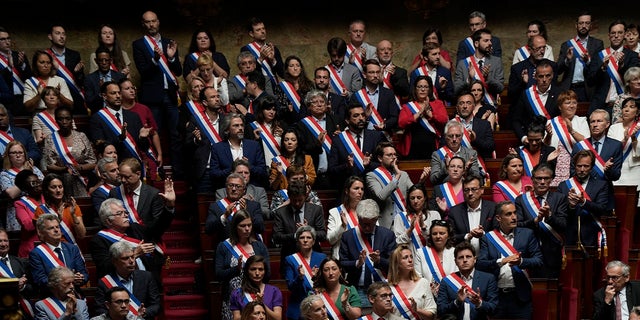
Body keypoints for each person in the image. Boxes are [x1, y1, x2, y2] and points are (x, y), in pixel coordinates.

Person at [132, 10, 183, 178]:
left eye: (154, 21)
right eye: (148, 22)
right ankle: (157, 170)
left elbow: (178, 71)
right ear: (143, 24)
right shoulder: (139, 44)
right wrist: (155, 59)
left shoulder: (169, 42)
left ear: (158, 22)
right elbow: (143, 72)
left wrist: (172, 58)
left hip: (170, 95)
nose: (151, 24)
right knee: (155, 133)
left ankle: (177, 170)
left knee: (175, 133)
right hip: (152, 97)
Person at [476, 201, 544, 320]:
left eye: (514, 213)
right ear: (498, 218)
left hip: (520, 297)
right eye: (508, 214)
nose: (514, 217)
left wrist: (521, 262)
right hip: (497, 296)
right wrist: (501, 261)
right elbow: (481, 264)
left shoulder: (527, 234)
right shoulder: (488, 238)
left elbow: (538, 260)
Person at [90, 198, 165, 285]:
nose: (126, 215)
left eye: (125, 212)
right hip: (119, 286)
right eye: (119, 213)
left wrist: (169, 206)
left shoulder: (135, 229)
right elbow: (105, 267)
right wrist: (135, 254)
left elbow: (158, 229)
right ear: (108, 221)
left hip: (148, 282)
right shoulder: (99, 240)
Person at [515, 162, 568, 278]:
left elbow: (563, 225)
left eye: (546, 178)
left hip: (551, 253)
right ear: (532, 179)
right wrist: (535, 221)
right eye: (539, 178)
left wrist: (549, 216)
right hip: (527, 252)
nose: (542, 182)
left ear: (552, 180)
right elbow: (517, 226)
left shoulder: (560, 198)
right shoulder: (521, 200)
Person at [339, 199, 396, 305]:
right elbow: (342, 263)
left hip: (382, 290)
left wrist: (379, 260)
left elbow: (395, 264)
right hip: (357, 290)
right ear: (358, 218)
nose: (366, 227)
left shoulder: (387, 235)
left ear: (376, 219)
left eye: (370, 224)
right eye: (363, 224)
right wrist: (357, 263)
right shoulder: (348, 236)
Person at [215, 210, 270, 320]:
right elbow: (218, 274)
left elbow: (268, 275)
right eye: (243, 226)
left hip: (255, 300)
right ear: (235, 226)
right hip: (232, 300)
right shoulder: (224, 246)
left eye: (249, 225)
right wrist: (237, 269)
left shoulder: (259, 247)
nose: (247, 229)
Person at [109, 157, 176, 239]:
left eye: (126, 177)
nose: (123, 180)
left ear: (138, 174)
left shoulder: (153, 194)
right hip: (122, 242)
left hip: (147, 241)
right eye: (121, 176)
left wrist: (170, 205)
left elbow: (160, 226)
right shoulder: (115, 193)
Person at [570, 108, 622, 213]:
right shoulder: (579, 146)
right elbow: (572, 172)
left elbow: (616, 176)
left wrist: (608, 170)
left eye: (599, 121)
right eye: (592, 121)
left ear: (607, 124)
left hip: (604, 198)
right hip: (583, 195)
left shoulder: (615, 145)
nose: (595, 124)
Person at [94, 241, 160, 320]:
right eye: (125, 258)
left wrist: (144, 312)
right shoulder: (105, 282)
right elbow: (100, 309)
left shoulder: (146, 277)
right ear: (114, 261)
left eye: (132, 257)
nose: (131, 261)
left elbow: (156, 305)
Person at [558, 150, 610, 248]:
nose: (582, 169)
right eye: (579, 166)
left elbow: (602, 209)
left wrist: (584, 202)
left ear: (591, 168)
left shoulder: (601, 185)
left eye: (586, 166)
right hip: (569, 235)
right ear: (574, 166)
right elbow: (559, 212)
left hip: (591, 234)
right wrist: (571, 206)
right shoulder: (563, 186)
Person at [587, 19, 640, 115]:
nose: (616, 36)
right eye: (613, 33)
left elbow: (635, 81)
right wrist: (602, 68)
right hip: (601, 105)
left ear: (624, 35)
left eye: (620, 33)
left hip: (625, 106)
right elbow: (590, 81)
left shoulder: (633, 56)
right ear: (609, 35)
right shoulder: (599, 55)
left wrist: (622, 65)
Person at [328, 103, 387, 187]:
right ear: (347, 120)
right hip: (348, 188)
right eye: (356, 116)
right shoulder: (339, 140)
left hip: (373, 187)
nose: (361, 118)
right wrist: (346, 166)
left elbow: (386, 163)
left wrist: (369, 164)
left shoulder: (376, 136)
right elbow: (332, 169)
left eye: (363, 115)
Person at [89, 81, 149, 162]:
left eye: (119, 93)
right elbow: (100, 146)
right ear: (104, 96)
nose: (118, 96)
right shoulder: (97, 118)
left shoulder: (134, 116)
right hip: (113, 166)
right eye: (113, 93)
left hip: (134, 165)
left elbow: (144, 148)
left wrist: (143, 138)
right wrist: (120, 138)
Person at [436, 241, 498, 320]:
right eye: (461, 257)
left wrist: (479, 303)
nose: (465, 260)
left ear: (474, 259)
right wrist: (457, 302)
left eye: (468, 257)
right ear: (455, 261)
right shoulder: (447, 281)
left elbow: (494, 308)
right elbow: (441, 310)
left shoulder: (488, 279)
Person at [273, 180, 326, 272]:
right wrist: (296, 235)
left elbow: (323, 235)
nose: (297, 203)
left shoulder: (316, 210)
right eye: (294, 200)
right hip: (290, 258)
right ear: (289, 197)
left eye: (300, 200)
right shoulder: (280, 212)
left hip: (313, 257)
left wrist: (309, 231)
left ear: (305, 196)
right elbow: (277, 237)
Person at [43, 106, 96, 197]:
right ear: (56, 120)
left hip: (82, 179)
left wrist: (80, 168)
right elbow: (49, 165)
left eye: (67, 119)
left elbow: (93, 162)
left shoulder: (81, 136)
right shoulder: (50, 139)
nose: (64, 122)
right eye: (60, 119)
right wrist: (64, 169)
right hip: (61, 182)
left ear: (72, 119)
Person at [29, 214, 88, 292]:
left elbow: (84, 274)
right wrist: (64, 282)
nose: (56, 230)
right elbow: (40, 280)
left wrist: (80, 278)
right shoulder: (37, 253)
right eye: (51, 228)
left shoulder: (72, 249)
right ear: (41, 233)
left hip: (74, 294)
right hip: (52, 299)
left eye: (57, 227)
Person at [118, 78, 163, 181]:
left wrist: (159, 154)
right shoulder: (117, 113)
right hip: (129, 154)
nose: (132, 90)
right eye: (127, 88)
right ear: (120, 93)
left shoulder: (144, 109)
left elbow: (154, 133)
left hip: (146, 152)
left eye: (133, 88)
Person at [296, 89, 341, 189]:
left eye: (322, 102)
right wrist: (316, 145)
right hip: (313, 174)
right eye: (315, 102)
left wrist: (341, 138)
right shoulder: (302, 125)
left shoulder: (335, 120)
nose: (319, 104)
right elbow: (301, 149)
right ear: (309, 106)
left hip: (334, 174)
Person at [210, 112, 268, 190]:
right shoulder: (217, 148)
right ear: (227, 130)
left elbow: (262, 172)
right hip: (227, 191)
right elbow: (214, 174)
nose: (240, 128)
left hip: (251, 191)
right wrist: (233, 168)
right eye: (236, 125)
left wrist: (248, 166)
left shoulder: (254, 146)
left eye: (242, 125)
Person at [557, 12, 605, 102]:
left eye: (587, 23)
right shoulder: (566, 45)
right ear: (576, 25)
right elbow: (558, 70)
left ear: (591, 25)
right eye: (581, 23)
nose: (584, 26)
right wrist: (567, 60)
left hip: (588, 88)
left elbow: (599, 70)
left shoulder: (597, 44)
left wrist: (588, 61)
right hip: (569, 88)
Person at [511, 59, 562, 143]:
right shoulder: (526, 95)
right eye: (541, 76)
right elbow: (516, 120)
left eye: (548, 76)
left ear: (552, 76)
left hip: (555, 139)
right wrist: (523, 138)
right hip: (532, 141)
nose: (544, 79)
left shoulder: (560, 94)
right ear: (535, 76)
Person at [397, 75, 448, 159]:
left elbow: (444, 120)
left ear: (430, 89)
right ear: (415, 89)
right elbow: (401, 123)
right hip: (412, 148)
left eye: (425, 87)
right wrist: (419, 112)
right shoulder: (408, 106)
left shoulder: (437, 104)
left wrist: (429, 113)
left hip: (432, 146)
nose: (423, 89)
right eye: (420, 86)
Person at [185, 85, 224, 193]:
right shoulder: (196, 120)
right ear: (205, 102)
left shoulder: (226, 120)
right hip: (205, 171)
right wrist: (195, 140)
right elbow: (187, 145)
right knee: (204, 206)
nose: (217, 99)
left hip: (223, 170)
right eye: (212, 97)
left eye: (217, 96)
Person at [546, 90, 590, 186]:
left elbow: (587, 144)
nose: (572, 105)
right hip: (556, 167)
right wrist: (548, 136)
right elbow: (545, 147)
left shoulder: (582, 121)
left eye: (574, 102)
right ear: (560, 106)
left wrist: (572, 131)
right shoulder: (551, 123)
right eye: (567, 103)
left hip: (576, 167)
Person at [206, 172, 265, 244]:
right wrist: (224, 216)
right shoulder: (216, 207)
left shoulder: (254, 206)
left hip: (249, 248)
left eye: (238, 186)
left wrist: (246, 213)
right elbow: (208, 230)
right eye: (230, 185)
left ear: (244, 190)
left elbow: (260, 228)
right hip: (227, 249)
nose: (234, 189)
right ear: (226, 188)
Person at [365, 141, 413, 228]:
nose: (394, 157)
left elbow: (414, 193)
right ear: (380, 158)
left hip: (405, 220)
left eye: (395, 154)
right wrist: (397, 177)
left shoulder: (404, 174)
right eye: (389, 155)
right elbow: (381, 196)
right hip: (386, 223)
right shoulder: (372, 176)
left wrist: (421, 181)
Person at [283, 226, 327, 320]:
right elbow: (290, 287)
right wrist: (300, 277)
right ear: (298, 241)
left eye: (309, 237)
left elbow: (327, 282)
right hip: (298, 307)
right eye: (302, 238)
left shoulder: (322, 258)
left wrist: (317, 278)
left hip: (319, 306)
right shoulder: (290, 259)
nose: (305, 240)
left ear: (314, 241)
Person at [454, 28, 504, 110]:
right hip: (468, 108)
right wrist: (469, 79)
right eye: (486, 41)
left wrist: (488, 78)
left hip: (490, 107)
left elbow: (500, 88)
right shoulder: (463, 64)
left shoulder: (496, 61)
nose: (490, 43)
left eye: (490, 40)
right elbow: (456, 90)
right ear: (476, 43)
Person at [1, 140, 44, 232]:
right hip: (16, 213)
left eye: (20, 152)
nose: (18, 155)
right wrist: (26, 175)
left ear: (25, 154)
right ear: (8, 156)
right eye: (14, 153)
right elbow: (11, 194)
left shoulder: (35, 170)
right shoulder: (4, 174)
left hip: (37, 208)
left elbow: (44, 187)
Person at [33, 173, 86, 245]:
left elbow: (82, 235)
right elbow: (42, 237)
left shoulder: (72, 207)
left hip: (72, 249)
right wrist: (59, 220)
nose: (58, 190)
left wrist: (73, 215)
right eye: (53, 187)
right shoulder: (41, 210)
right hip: (53, 250)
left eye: (60, 187)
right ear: (47, 190)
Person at [388, 244, 438, 319]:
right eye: (405, 258)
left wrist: (416, 310)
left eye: (411, 256)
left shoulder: (423, 283)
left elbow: (432, 314)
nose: (410, 260)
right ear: (396, 263)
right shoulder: (387, 286)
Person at [448, 173, 496, 251]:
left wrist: (483, 234)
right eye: (466, 190)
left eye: (474, 189)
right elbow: (450, 237)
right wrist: (467, 236)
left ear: (482, 190)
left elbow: (499, 234)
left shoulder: (493, 208)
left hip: (487, 257)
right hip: (464, 257)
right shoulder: (454, 211)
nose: (470, 193)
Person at [46, 24, 87, 115]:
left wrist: (77, 73)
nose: (61, 36)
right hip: (53, 97)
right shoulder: (46, 55)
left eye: (63, 34)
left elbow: (82, 82)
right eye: (58, 33)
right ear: (50, 36)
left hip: (73, 97)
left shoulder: (74, 55)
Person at [508, 35, 558, 106]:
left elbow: (555, 91)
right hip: (525, 109)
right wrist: (523, 83)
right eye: (538, 48)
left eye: (544, 47)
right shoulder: (517, 68)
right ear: (529, 49)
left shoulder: (552, 66)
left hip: (546, 108)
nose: (542, 51)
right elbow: (511, 95)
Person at [607, 97, 640, 206]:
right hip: (617, 171)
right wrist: (625, 140)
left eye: (631, 107)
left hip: (635, 171)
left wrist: (634, 138)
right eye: (624, 107)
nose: (626, 109)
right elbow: (610, 150)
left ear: (637, 112)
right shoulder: (613, 128)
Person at [230, 255, 283, 320]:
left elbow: (277, 318)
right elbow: (236, 318)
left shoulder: (274, 291)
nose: (257, 273)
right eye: (253, 269)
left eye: (260, 269)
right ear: (247, 271)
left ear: (265, 271)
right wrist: (251, 313)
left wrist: (262, 304)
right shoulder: (237, 294)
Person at [430, 120, 480, 185]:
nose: (454, 139)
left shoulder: (471, 154)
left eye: (457, 136)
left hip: (464, 191)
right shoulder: (437, 155)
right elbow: (433, 179)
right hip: (447, 192)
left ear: (462, 136)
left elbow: (477, 177)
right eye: (451, 136)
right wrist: (446, 168)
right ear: (445, 136)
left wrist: (467, 169)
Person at [392, 184, 441, 251]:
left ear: (425, 198)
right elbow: (398, 242)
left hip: (431, 257)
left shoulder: (434, 215)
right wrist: (410, 229)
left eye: (419, 197)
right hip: (410, 258)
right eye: (412, 198)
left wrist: (423, 227)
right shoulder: (400, 217)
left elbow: (437, 240)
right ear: (409, 200)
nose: (415, 201)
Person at [414, 220, 458, 292]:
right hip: (428, 295)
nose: (438, 236)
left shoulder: (455, 252)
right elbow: (417, 278)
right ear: (430, 236)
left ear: (449, 235)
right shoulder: (421, 253)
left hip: (451, 294)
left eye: (442, 233)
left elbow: (459, 277)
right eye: (434, 234)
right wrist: (428, 290)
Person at [327, 176, 365, 259]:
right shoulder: (335, 212)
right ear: (347, 191)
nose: (360, 192)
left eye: (362, 189)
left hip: (362, 257)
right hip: (343, 258)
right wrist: (342, 227)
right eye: (356, 188)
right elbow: (330, 240)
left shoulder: (367, 211)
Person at [452, 89, 495, 161]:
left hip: (478, 166)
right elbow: (444, 148)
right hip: (456, 167)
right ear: (457, 107)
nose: (465, 106)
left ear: (474, 106)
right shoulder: (451, 125)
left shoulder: (484, 125)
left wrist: (475, 140)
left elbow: (490, 147)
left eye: (468, 103)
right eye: (461, 103)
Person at [0, 228, 34, 316]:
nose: (3, 244)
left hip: (21, 309)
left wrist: (23, 286)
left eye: (5, 241)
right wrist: (14, 286)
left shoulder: (20, 262)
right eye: (0, 241)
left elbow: (33, 288)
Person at [268, 127, 315, 191]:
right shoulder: (276, 161)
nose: (289, 142)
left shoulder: (307, 159)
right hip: (284, 196)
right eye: (286, 140)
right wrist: (279, 175)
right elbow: (273, 187)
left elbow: (312, 181)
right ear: (283, 143)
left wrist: (304, 176)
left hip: (301, 195)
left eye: (293, 140)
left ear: (298, 142)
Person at [241, 17, 285, 83]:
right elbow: (247, 72)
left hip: (275, 85)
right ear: (251, 34)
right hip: (258, 87)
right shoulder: (246, 50)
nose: (262, 31)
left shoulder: (273, 48)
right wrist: (260, 59)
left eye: (263, 28)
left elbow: (283, 74)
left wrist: (273, 60)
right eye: (258, 30)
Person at [0, 26, 32, 116]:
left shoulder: (18, 55)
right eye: (2, 39)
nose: (7, 42)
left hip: (24, 98)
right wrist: (9, 68)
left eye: (8, 38)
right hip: (6, 101)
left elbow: (30, 77)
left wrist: (22, 65)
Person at [249, 95, 285, 174]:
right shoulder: (253, 127)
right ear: (261, 110)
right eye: (268, 109)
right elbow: (249, 151)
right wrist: (256, 140)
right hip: (262, 169)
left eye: (274, 109)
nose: (272, 112)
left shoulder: (281, 126)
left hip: (279, 167)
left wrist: (284, 136)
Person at [85, 46, 127, 113]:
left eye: (106, 60)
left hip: (119, 113)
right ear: (96, 61)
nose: (104, 63)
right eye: (101, 60)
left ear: (111, 61)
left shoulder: (120, 77)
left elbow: (125, 98)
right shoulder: (90, 79)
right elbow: (89, 102)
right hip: (99, 114)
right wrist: (100, 91)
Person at [13, 169, 44, 258]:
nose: (38, 184)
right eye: (33, 183)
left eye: (38, 181)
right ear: (25, 188)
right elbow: (28, 226)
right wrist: (45, 216)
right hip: (32, 247)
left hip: (51, 243)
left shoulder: (48, 199)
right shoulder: (20, 204)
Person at [276, 55, 314, 123]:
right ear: (287, 69)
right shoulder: (281, 87)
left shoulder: (309, 85)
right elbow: (278, 108)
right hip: (288, 121)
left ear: (301, 68)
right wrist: (288, 109)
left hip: (307, 121)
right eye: (291, 66)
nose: (295, 68)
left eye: (297, 65)